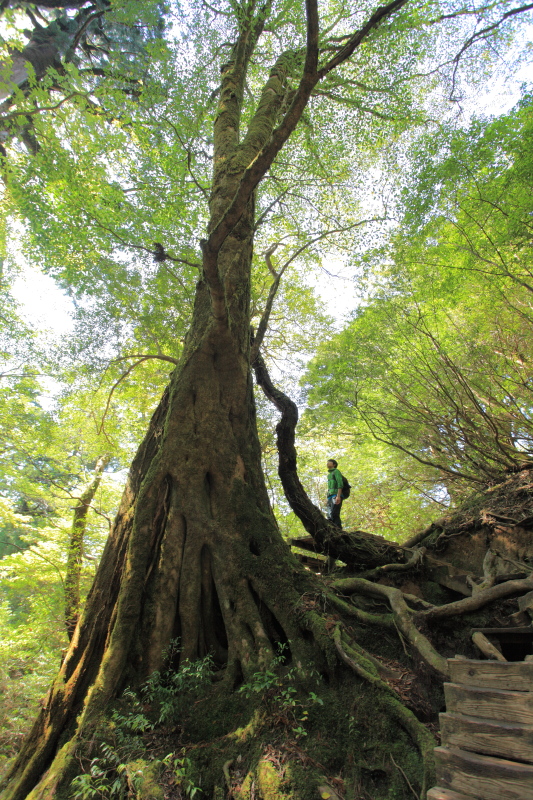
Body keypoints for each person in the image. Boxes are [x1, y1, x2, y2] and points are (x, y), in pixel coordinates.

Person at [326, 458, 343, 529]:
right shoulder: (329, 475)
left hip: (336, 495)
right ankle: (332, 530)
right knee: (329, 515)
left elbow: (340, 484)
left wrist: (338, 496)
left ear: (334, 464)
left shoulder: (336, 471)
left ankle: (339, 530)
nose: (327, 463)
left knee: (334, 513)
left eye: (329, 462)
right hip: (330, 496)